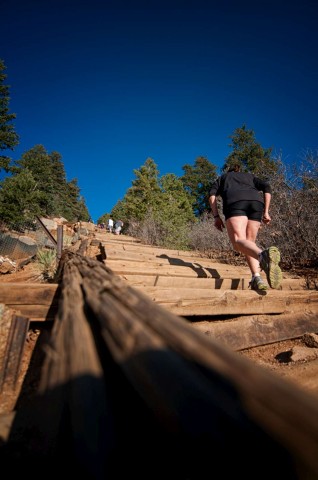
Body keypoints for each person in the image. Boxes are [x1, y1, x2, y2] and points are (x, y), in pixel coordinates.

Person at [208, 163, 282, 291]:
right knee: (249, 244)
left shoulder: (223, 178)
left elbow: (212, 194)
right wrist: (266, 211)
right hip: (256, 203)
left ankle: (263, 256)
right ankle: (256, 277)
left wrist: (216, 216)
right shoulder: (249, 176)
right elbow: (266, 186)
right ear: (239, 170)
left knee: (238, 241)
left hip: (236, 203)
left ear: (229, 171)